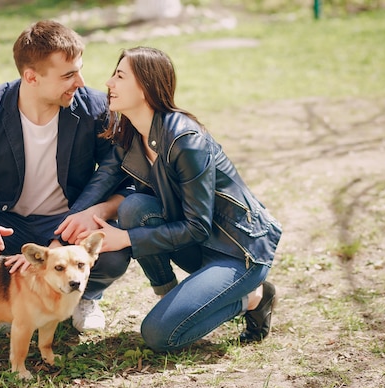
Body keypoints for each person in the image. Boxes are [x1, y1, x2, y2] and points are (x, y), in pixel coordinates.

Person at [0, 20, 132, 334]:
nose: (80, 81)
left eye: (79, 70)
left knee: (114, 251)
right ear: (31, 77)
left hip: (68, 220)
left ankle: (85, 297)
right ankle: (0, 303)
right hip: (7, 223)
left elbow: (121, 180)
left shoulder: (94, 108)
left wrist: (96, 213)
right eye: (67, 75)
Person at [74, 46, 283, 351]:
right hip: (198, 245)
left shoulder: (186, 142)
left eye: (119, 76)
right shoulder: (130, 131)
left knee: (159, 336)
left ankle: (254, 297)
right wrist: (72, 220)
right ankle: (168, 299)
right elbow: (104, 178)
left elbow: (197, 226)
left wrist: (125, 239)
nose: (109, 83)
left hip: (237, 251)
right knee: (134, 206)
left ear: (145, 86)